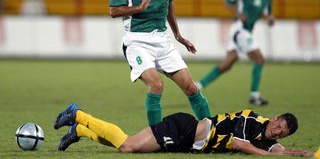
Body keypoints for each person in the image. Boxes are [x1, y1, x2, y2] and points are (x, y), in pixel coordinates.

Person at [109, 0, 211, 126]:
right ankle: (156, 137)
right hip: (137, 42)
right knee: (156, 85)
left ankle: (213, 130)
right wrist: (139, 8)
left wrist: (178, 35)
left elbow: (169, 4)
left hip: (162, 41)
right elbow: (114, 11)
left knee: (191, 88)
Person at [53, 103, 314, 157]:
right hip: (183, 128)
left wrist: (303, 154)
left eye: (283, 133)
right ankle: (78, 114)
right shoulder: (252, 121)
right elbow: (238, 144)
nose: (278, 132)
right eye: (280, 125)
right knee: (128, 145)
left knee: (131, 147)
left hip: (186, 141)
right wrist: (266, 155)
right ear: (275, 118)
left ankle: (81, 132)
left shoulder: (265, 137)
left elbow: (279, 150)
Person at [196, 0, 274, 106]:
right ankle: (254, 95)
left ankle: (198, 86)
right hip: (239, 29)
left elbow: (267, 13)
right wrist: (238, 13)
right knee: (260, 59)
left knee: (226, 65)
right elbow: (228, 2)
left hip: (246, 32)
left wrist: (269, 18)